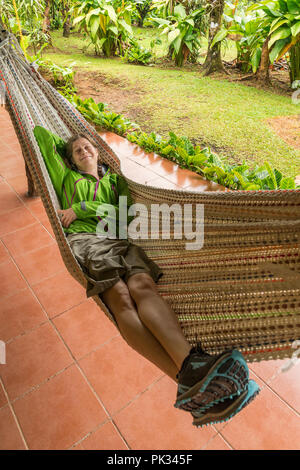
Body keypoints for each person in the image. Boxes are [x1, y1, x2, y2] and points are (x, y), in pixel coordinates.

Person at [34, 126, 260, 427]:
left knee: (143, 286)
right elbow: (40, 133)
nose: (85, 151)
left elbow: (124, 215)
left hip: (121, 239)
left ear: (99, 152)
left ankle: (192, 381)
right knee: (122, 298)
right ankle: (193, 374)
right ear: (71, 161)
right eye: (78, 151)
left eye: (89, 147)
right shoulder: (66, 178)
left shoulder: (116, 181)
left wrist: (82, 207)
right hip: (87, 241)